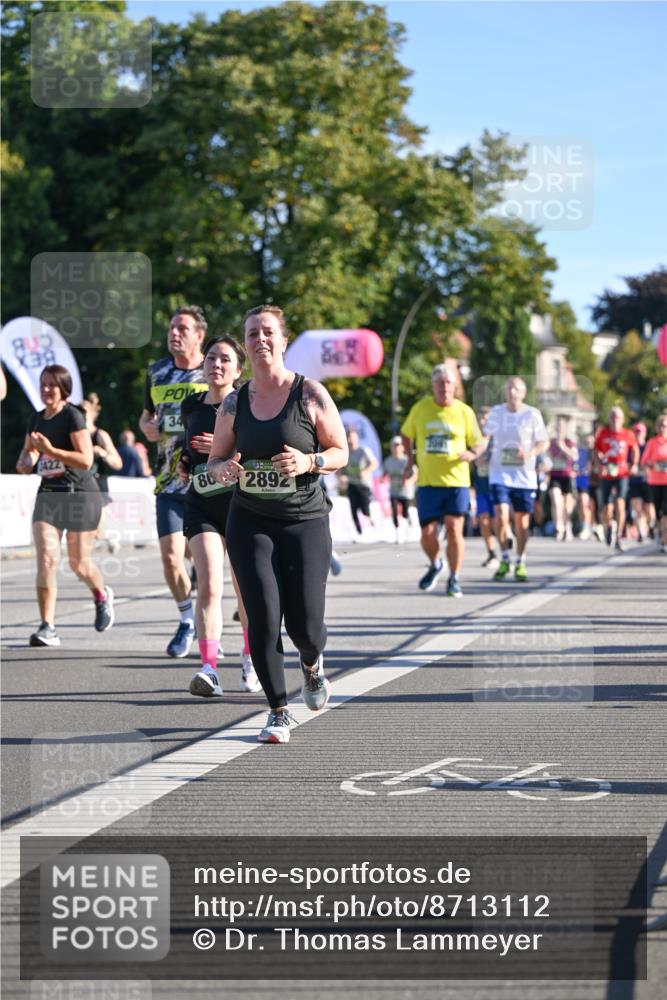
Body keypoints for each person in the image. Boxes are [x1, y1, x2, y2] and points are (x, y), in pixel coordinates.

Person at [207, 304, 348, 745]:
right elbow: (214, 459)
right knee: (264, 618)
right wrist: (221, 470)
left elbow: (341, 450)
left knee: (306, 627)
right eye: (252, 334)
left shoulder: (310, 394)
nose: (260, 339)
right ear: (246, 344)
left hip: (305, 520)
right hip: (250, 519)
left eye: (268, 332)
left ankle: (312, 664)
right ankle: (277, 711)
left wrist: (310, 460)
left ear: (283, 340)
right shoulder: (234, 402)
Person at [180, 335, 261, 698]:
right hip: (201, 503)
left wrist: (219, 447)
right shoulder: (190, 404)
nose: (216, 364)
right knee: (210, 583)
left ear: (238, 370)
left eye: (225, 359)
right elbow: (189, 452)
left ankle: (249, 657)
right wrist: (186, 464)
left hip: (240, 503)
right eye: (211, 357)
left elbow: (257, 449)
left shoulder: (247, 404)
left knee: (244, 590)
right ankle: (209, 668)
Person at [15, 365, 114, 646]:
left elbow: (85, 460)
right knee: (46, 558)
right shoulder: (35, 420)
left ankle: (102, 595)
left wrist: (51, 451)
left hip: (80, 493)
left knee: (79, 563)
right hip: (48, 494)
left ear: (64, 388)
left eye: (52, 385)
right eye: (43, 384)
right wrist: (26, 461)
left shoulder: (72, 415)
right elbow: (28, 454)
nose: (46, 389)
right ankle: (48, 626)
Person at [139, 306, 208, 656]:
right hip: (168, 482)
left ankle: (216, 627)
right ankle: (186, 620)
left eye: (182, 328)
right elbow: (146, 416)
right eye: (171, 327)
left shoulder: (214, 372)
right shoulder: (157, 372)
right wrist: (147, 427)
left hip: (208, 483)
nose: (174, 333)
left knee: (209, 560)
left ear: (199, 336)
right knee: (170, 558)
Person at [401, 363, 485, 597]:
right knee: (427, 534)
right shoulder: (420, 409)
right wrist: (410, 462)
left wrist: (472, 453)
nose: (444, 387)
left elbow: (479, 442)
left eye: (448, 383)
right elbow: (406, 435)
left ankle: (454, 578)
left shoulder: (464, 411)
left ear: (455, 385)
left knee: (454, 528)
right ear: (433, 385)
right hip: (428, 482)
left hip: (456, 481)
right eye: (439, 383)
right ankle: (436, 563)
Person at [483, 376, 549, 582]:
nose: (512, 392)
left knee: (522, 523)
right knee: (501, 516)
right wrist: (478, 454)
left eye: (516, 389)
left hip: (524, 476)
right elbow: (485, 438)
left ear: (523, 393)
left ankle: (520, 560)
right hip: (499, 473)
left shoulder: (532, 414)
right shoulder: (496, 413)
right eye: (509, 388)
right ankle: (504, 558)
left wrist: (529, 453)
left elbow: (543, 443)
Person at [593, 406, 639, 552]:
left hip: (622, 472)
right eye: (612, 416)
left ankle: (619, 535)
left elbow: (635, 450)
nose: (614, 419)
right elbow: (596, 450)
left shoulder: (628, 434)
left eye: (617, 416)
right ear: (609, 418)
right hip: (607, 472)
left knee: (620, 502)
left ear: (622, 419)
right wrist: (600, 463)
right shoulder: (603, 433)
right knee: (606, 507)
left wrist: (634, 464)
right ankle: (608, 526)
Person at [81, 394, 123, 553]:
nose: (81, 415)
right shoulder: (75, 436)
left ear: (93, 414)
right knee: (85, 530)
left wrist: (103, 453)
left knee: (95, 528)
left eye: (84, 412)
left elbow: (118, 463)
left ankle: (107, 538)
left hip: (98, 487)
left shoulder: (100, 435)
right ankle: (84, 563)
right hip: (80, 486)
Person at [339, 428, 378, 539]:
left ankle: (371, 523)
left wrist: (366, 471)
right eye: (349, 438)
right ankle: (359, 532)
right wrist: (341, 476)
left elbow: (374, 463)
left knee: (364, 509)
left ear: (357, 439)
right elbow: (340, 469)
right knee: (353, 509)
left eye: (353, 438)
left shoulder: (363, 450)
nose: (351, 440)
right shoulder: (345, 453)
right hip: (351, 484)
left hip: (364, 485)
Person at [472, 407, 498, 566]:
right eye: (480, 418)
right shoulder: (473, 438)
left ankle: (506, 551)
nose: (483, 422)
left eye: (486, 419)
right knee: (483, 520)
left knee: (498, 520)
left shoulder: (497, 438)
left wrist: (490, 460)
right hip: (481, 484)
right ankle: (492, 553)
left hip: (496, 484)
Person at [547, 415, 578, 541]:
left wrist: (563, 447)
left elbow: (575, 457)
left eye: (561, 427)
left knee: (567, 505)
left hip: (567, 475)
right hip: (554, 475)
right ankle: (558, 526)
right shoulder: (551, 442)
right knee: (555, 500)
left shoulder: (570, 442)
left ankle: (567, 526)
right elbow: (547, 457)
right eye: (557, 426)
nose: (559, 429)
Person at [382, 436, 417, 543]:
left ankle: (408, 524)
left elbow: (416, 474)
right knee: (394, 511)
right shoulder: (388, 461)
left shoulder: (407, 460)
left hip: (406, 492)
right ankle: (398, 532)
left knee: (405, 513)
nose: (396, 448)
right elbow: (385, 473)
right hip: (394, 490)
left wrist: (409, 481)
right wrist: (383, 478)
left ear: (402, 447)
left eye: (398, 445)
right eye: (394, 445)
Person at [641, 414, 667, 553]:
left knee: (666, 511)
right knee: (658, 513)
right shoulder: (652, 442)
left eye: (665, 426)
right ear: (657, 427)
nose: (663, 428)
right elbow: (644, 462)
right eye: (661, 425)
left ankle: (664, 539)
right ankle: (660, 533)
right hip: (655, 481)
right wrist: (652, 466)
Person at [628, 421, 651, 541]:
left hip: (648, 481)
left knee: (648, 510)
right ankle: (640, 532)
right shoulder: (630, 447)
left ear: (644, 433)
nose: (637, 434)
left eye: (640, 432)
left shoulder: (648, 446)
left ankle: (650, 526)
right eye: (635, 432)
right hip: (634, 481)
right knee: (637, 508)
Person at [575, 432, 595, 540]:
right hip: (583, 482)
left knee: (594, 506)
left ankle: (595, 527)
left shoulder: (597, 453)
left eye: (591, 442)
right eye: (586, 442)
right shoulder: (580, 452)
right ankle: (585, 527)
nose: (589, 444)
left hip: (596, 483)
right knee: (583, 503)